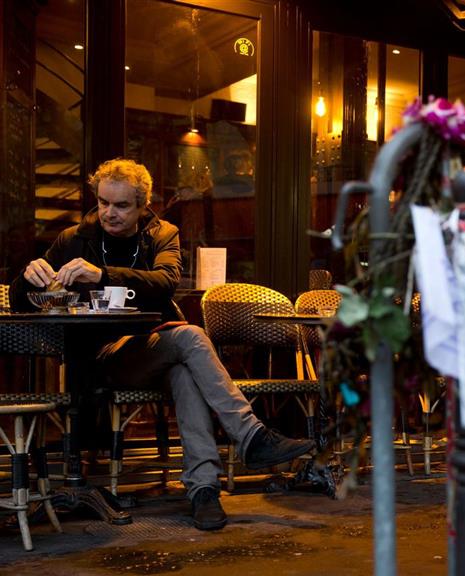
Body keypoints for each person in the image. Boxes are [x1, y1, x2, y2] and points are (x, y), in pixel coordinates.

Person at [9, 158, 314, 531]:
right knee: (191, 338)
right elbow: (24, 301)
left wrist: (102, 275)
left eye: (121, 205)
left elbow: (166, 282)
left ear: (141, 206)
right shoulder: (75, 239)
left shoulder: (161, 234)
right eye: (104, 202)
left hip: (151, 348)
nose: (109, 212)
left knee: (186, 368)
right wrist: (27, 278)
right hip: (101, 358)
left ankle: (203, 490)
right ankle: (249, 438)